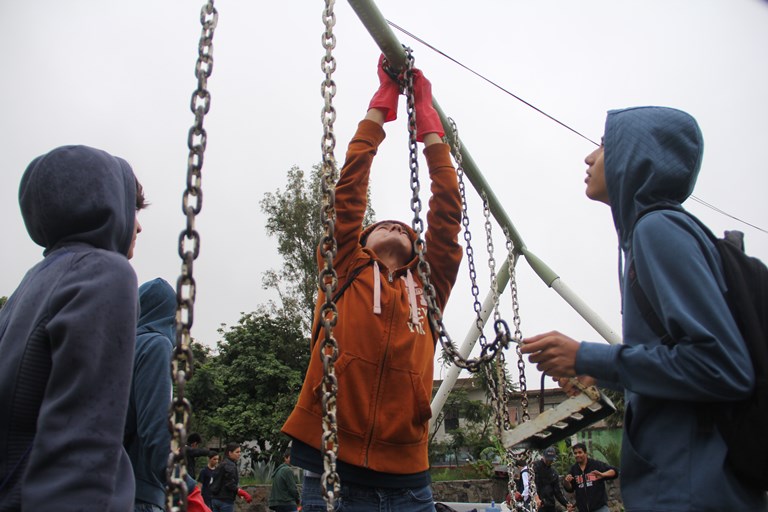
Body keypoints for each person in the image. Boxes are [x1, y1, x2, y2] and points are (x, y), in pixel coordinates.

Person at [520, 106, 768, 511]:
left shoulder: (658, 229)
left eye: (602, 145)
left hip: (690, 493)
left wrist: (588, 354)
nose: (589, 157)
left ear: (635, 154)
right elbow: (681, 370)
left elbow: (722, 365)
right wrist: (597, 371)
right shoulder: (649, 236)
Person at [281, 54, 462, 511]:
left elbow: (446, 212)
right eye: (388, 224)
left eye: (408, 229)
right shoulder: (344, 267)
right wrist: (382, 104)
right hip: (332, 469)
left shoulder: (428, 290)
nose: (400, 227)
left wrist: (428, 120)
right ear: (361, 238)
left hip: (409, 481)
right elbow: (350, 187)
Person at [0, 145, 145, 510]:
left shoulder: (30, 285)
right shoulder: (103, 273)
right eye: (132, 209)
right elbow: (82, 441)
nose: (138, 225)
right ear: (103, 204)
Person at [124, 277, 177, 512]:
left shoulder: (119, 348)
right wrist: (184, 485)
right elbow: (155, 429)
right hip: (141, 491)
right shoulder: (155, 345)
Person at [562, 443, 617, 512]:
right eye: (575, 453)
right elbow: (570, 489)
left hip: (600, 508)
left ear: (585, 453)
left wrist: (603, 475)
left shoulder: (596, 465)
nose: (577, 455)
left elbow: (614, 471)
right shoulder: (573, 469)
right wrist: (567, 482)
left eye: (580, 452)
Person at [210, 443, 250, 512]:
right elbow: (229, 483)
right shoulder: (230, 465)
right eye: (237, 452)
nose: (239, 454)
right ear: (230, 453)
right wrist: (240, 491)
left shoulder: (222, 464)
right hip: (225, 500)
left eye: (240, 452)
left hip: (215, 499)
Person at [533, 447, 569, 512]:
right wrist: (536, 498)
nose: (549, 461)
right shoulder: (535, 468)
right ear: (543, 456)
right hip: (537, 504)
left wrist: (566, 504)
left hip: (550, 505)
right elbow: (530, 485)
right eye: (547, 459)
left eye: (551, 460)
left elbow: (557, 492)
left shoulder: (553, 473)